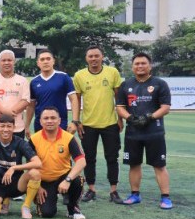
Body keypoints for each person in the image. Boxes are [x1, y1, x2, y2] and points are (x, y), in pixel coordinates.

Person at [115, 52, 173, 209]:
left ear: (150, 66)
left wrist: (149, 117)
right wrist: (130, 118)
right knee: (134, 164)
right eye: (137, 64)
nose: (140, 66)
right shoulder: (126, 85)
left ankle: (166, 197)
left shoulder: (160, 84)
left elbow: (165, 107)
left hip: (154, 132)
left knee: (159, 165)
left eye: (143, 63)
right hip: (133, 133)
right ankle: (135, 194)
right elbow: (120, 107)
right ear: (132, 67)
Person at [73, 45, 123, 203]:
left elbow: (118, 97)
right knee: (89, 158)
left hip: (110, 123)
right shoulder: (79, 75)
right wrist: (77, 121)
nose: (93, 59)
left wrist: (120, 118)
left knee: (112, 158)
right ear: (86, 58)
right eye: (90, 56)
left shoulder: (112, 72)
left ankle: (113, 191)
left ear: (102, 57)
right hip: (88, 124)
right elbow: (76, 100)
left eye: (96, 56)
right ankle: (91, 189)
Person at [0, 114, 42, 219]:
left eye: (9, 126)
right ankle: (3, 201)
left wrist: (13, 168)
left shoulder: (20, 143)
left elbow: (38, 163)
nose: (5, 129)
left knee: (35, 173)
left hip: (17, 184)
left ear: (14, 127)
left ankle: (26, 206)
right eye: (2, 126)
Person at [29, 107, 87, 219]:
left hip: (63, 177)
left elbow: (81, 161)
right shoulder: (34, 139)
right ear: (40, 121)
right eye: (46, 118)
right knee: (47, 213)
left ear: (59, 121)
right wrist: (37, 186)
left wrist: (67, 180)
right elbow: (29, 166)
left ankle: (73, 208)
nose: (49, 121)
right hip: (43, 181)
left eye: (53, 118)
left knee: (77, 180)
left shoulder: (69, 138)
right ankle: (42, 203)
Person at [27, 50, 79, 136]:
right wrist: (27, 126)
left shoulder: (64, 77)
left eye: (48, 59)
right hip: (40, 125)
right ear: (38, 63)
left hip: (60, 124)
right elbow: (31, 106)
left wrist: (75, 121)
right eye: (42, 59)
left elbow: (74, 99)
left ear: (53, 61)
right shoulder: (34, 82)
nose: (45, 62)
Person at [0, 50, 30, 138]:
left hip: (17, 127)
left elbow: (25, 100)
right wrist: (5, 112)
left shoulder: (23, 80)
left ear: (14, 62)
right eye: (3, 60)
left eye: (9, 60)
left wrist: (10, 112)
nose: (6, 63)